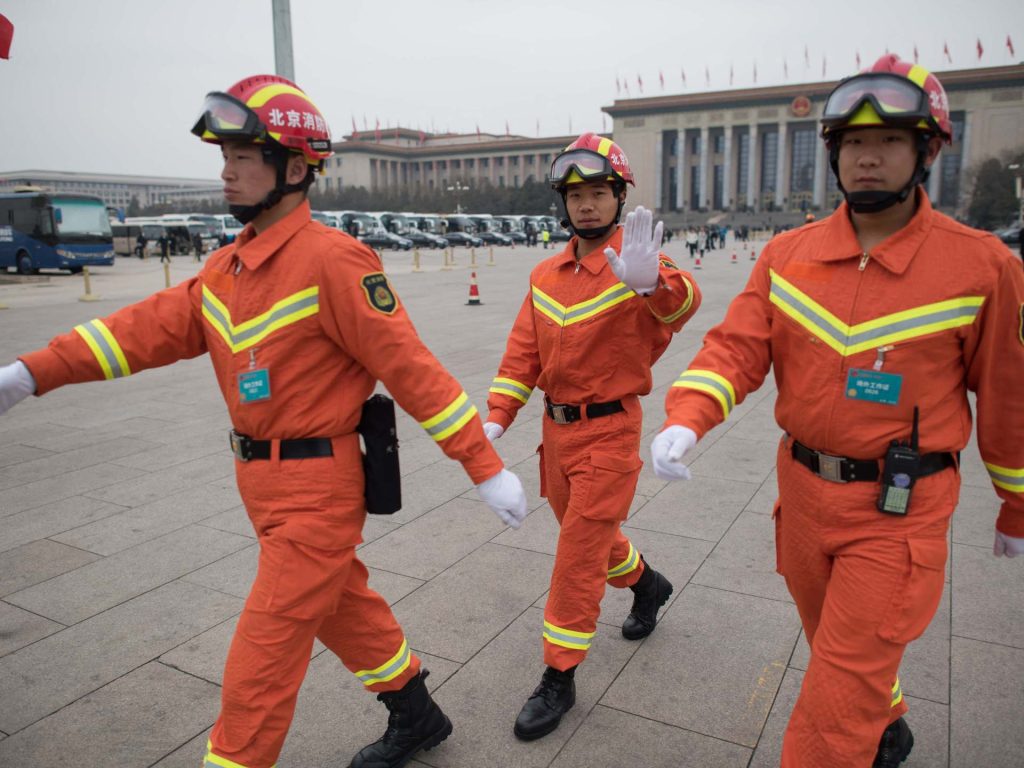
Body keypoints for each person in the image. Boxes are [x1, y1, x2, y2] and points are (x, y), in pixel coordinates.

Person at [0, 73, 529, 768]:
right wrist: (32, 372)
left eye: (242, 156)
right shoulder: (227, 269)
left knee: (263, 657)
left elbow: (412, 369)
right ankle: (416, 712)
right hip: (262, 485)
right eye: (223, 157)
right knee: (343, 605)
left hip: (318, 491)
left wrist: (483, 466)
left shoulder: (335, 263)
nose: (226, 171)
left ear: (296, 166)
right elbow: (137, 331)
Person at [650, 55, 1024, 767]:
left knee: (826, 721)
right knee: (837, 651)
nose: (868, 158)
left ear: (929, 149)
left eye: (887, 141)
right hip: (803, 498)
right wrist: (687, 415)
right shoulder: (789, 256)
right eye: (852, 143)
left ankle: (858, 728)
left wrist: (1017, 504)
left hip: (897, 514)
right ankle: (887, 723)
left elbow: (1011, 395)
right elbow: (737, 347)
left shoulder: (983, 267)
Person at [483, 132, 701, 741]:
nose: (586, 205)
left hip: (609, 430)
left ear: (619, 197)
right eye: (576, 194)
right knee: (591, 535)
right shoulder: (545, 274)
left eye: (599, 192)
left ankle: (559, 674)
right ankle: (647, 584)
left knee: (577, 556)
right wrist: (500, 411)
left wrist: (650, 282)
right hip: (557, 435)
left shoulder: (640, 266)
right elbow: (523, 350)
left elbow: (684, 305)